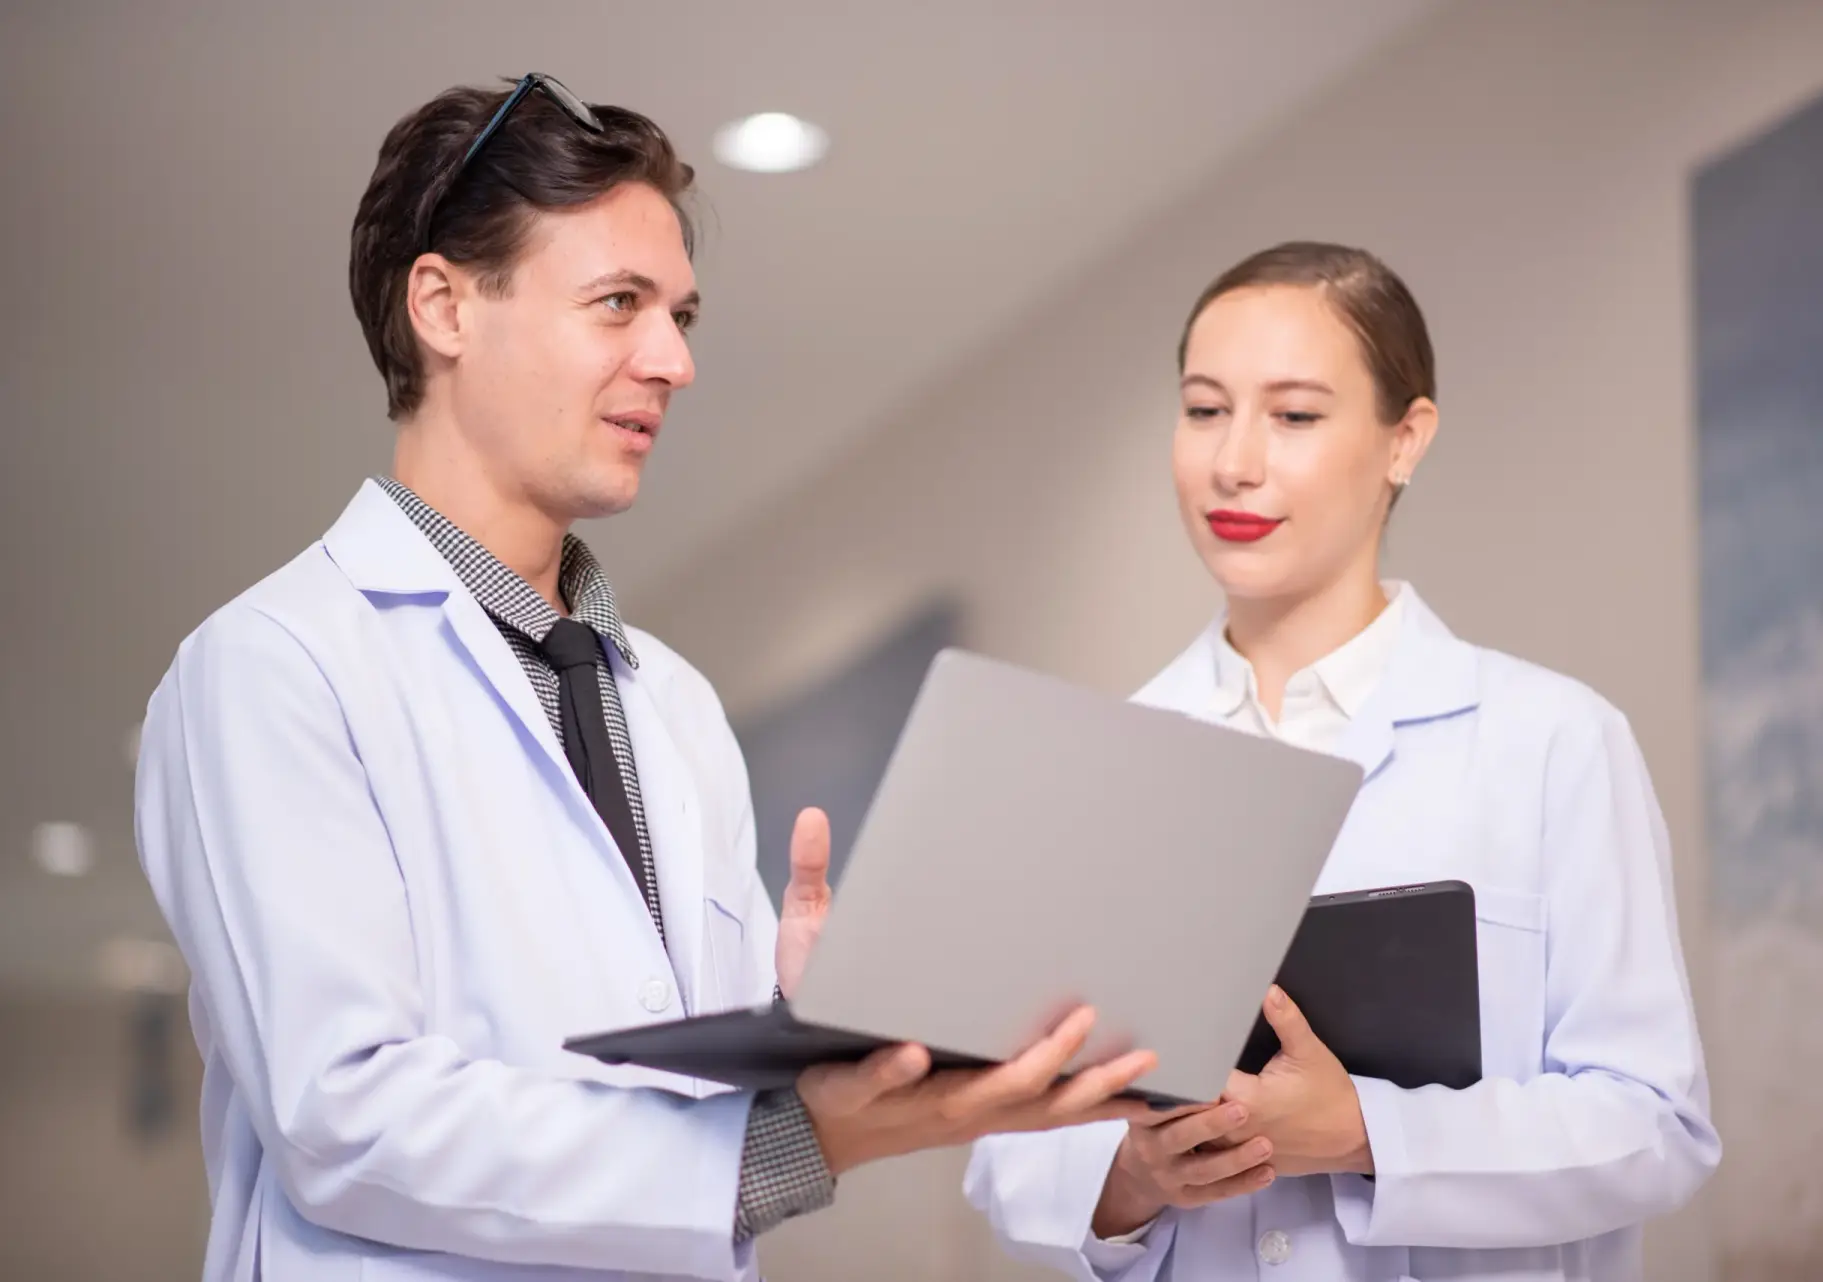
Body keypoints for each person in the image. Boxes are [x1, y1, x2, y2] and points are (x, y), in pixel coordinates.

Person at [133, 74, 1155, 1282]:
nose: (672, 360)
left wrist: (813, 1034)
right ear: (444, 306)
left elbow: (670, 1089)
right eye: (619, 303)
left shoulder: (668, 703)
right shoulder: (274, 667)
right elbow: (345, 1117)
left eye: (681, 315)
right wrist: (795, 1138)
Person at [963, 242, 1720, 1281]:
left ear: (1404, 440)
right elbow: (1007, 1153)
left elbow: (1654, 1125)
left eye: (1295, 415)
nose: (1235, 461)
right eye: (1203, 409)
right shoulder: (1101, 767)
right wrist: (1136, 1173)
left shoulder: (1554, 741)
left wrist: (1368, 1130)